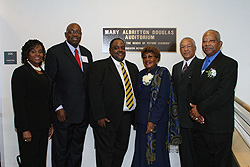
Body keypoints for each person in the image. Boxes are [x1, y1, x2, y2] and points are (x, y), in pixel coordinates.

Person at [45, 23, 93, 167]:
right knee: (61, 152)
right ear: (66, 34)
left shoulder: (86, 53)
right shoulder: (55, 52)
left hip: (82, 114)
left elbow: (88, 82)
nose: (75, 35)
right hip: (63, 114)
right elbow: (50, 83)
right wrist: (58, 106)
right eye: (71, 32)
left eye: (78, 32)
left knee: (76, 151)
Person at [189, 29, 238, 167]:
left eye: (211, 40)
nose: (207, 44)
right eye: (204, 41)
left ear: (220, 43)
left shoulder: (229, 64)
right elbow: (191, 89)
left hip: (218, 127)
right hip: (199, 125)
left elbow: (223, 93)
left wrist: (200, 110)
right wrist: (194, 112)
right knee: (201, 162)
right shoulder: (198, 64)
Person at [89, 38, 139, 167]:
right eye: (116, 48)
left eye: (122, 47)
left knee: (120, 151)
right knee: (105, 155)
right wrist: (99, 116)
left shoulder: (133, 68)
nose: (120, 50)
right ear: (110, 50)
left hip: (126, 119)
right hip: (106, 119)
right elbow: (94, 93)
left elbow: (136, 94)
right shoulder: (99, 66)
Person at [131, 45, 181, 167]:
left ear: (157, 58)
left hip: (158, 122)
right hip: (142, 121)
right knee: (142, 151)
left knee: (157, 153)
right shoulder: (140, 74)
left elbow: (162, 100)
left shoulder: (163, 73)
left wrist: (152, 121)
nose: (147, 59)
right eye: (144, 57)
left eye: (150, 56)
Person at [11, 39, 53, 167]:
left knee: (41, 161)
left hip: (43, 125)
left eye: (40, 52)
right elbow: (19, 104)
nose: (37, 54)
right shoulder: (21, 73)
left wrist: (50, 123)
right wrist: (24, 129)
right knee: (30, 161)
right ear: (26, 54)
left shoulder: (43, 72)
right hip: (29, 127)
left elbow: (47, 100)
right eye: (33, 51)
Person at [172, 37, 201, 167]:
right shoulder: (176, 67)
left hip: (195, 117)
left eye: (189, 46)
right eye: (183, 47)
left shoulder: (201, 65)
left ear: (195, 48)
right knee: (184, 153)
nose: (186, 49)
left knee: (196, 153)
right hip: (180, 118)